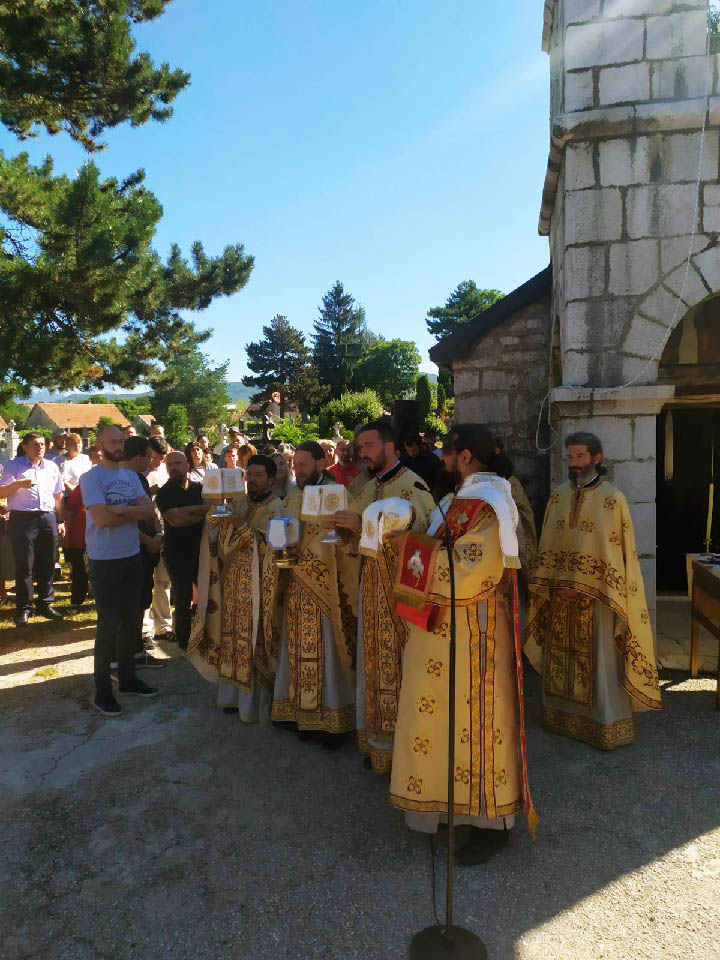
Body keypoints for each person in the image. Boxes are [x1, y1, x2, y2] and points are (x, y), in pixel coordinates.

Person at [389, 424, 538, 865]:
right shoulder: (461, 500)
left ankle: (491, 822)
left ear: (466, 456)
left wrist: (409, 547)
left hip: (475, 637)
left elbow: (469, 571)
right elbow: (439, 545)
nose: (442, 459)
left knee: (478, 725)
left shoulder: (490, 504)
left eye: (448, 452)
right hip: (441, 632)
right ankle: (450, 806)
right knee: (444, 724)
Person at [525, 432, 662, 750]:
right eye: (570, 457)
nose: (574, 464)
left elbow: (619, 555)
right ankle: (560, 717)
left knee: (600, 665)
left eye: (580, 457)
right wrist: (556, 584)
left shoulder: (613, 499)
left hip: (599, 598)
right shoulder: (558, 497)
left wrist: (590, 587)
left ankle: (604, 725)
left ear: (596, 458)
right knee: (560, 658)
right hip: (560, 597)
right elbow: (548, 545)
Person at [333, 419, 436, 773]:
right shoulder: (366, 487)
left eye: (369, 446)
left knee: (399, 668)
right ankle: (379, 743)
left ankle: (406, 747)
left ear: (390, 447)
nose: (363, 453)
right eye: (360, 447)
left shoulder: (412, 486)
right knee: (374, 665)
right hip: (370, 589)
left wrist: (361, 524)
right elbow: (358, 539)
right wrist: (346, 528)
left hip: (399, 597)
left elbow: (426, 540)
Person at [271, 441, 360, 748]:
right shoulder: (292, 496)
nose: (298, 470)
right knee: (296, 651)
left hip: (326, 588)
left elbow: (347, 542)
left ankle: (332, 723)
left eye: (304, 464)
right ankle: (300, 715)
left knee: (327, 654)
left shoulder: (338, 495)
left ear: (322, 463)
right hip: (297, 585)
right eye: (295, 464)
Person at [187, 455, 283, 722]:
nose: (251, 480)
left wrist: (242, 526)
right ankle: (230, 697)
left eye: (258, 475)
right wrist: (215, 517)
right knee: (230, 636)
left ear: (271, 479)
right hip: (232, 580)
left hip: (259, 585)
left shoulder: (278, 507)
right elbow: (215, 539)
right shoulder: (236, 502)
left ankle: (254, 705)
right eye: (248, 474)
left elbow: (274, 547)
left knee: (254, 640)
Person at [80, 425, 159, 716]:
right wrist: (128, 512)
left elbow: (149, 511)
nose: (117, 445)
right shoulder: (91, 478)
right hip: (105, 559)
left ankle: (127, 679)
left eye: (121, 441)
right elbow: (100, 520)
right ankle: (103, 691)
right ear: (100, 445)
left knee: (131, 622)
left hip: (131, 556)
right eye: (112, 441)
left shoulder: (130, 477)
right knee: (108, 626)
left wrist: (118, 511)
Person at [0, 432, 65, 625]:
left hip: (47, 517)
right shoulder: (14, 466)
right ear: (25, 446)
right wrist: (19, 484)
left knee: (47, 562)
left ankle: (45, 603)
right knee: (24, 564)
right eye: (36, 445)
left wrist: (61, 520)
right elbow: (2, 491)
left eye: (43, 444)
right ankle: (24, 608)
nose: (40, 448)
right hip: (22, 518)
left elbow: (58, 496)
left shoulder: (52, 466)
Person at [155, 452, 210, 650]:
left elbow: (212, 507)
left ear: (187, 464)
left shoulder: (199, 487)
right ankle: (184, 642)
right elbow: (176, 520)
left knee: (206, 595)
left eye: (177, 463)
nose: (173, 467)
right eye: (169, 464)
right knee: (182, 597)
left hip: (201, 551)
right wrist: (201, 511)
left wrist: (186, 511)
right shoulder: (164, 493)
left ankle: (206, 637)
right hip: (176, 553)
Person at [120, 436, 166, 668]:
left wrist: (158, 534)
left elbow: (150, 509)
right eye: (148, 457)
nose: (151, 462)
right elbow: (125, 518)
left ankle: (137, 651)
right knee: (131, 602)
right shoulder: (121, 480)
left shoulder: (139, 478)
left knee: (142, 600)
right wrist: (147, 539)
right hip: (133, 547)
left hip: (148, 546)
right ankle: (126, 654)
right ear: (138, 457)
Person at [63, 482, 89, 608]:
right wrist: (66, 534)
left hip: (103, 537)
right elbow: (69, 511)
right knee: (79, 570)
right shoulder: (83, 486)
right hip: (80, 536)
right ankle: (77, 600)